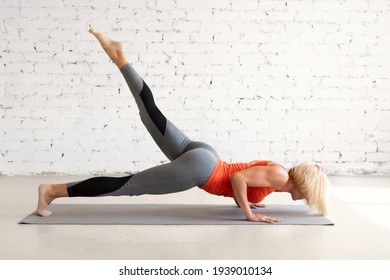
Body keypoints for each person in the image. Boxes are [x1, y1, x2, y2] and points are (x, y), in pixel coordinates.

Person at [36, 28, 329, 223]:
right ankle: (52, 191)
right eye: (310, 195)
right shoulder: (279, 176)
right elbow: (238, 180)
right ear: (304, 185)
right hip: (201, 169)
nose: (306, 200)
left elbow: (244, 181)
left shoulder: (278, 180)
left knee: (150, 112)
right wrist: (248, 213)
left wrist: (252, 203)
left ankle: (120, 58)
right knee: (130, 186)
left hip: (204, 156)